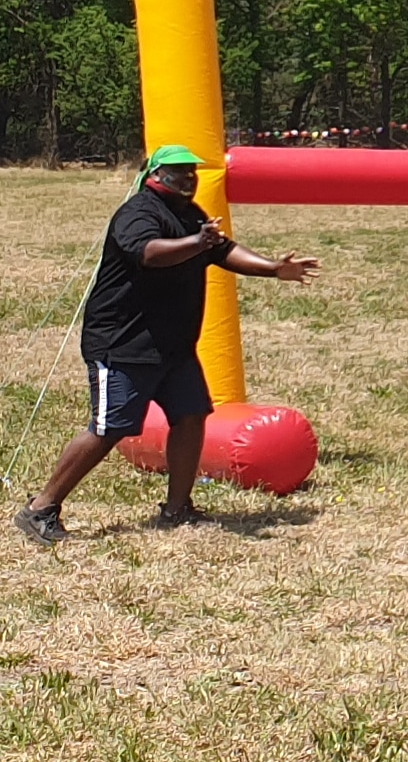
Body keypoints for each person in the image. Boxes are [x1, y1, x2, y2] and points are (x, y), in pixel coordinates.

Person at [14, 146, 319, 545]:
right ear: (157, 174)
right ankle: (41, 508)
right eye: (180, 172)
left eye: (192, 172)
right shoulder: (139, 213)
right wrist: (197, 241)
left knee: (191, 415)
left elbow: (224, 250)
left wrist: (273, 269)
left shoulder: (189, 215)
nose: (190, 179)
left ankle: (178, 510)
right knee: (110, 428)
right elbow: (150, 253)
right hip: (123, 342)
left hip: (173, 345)